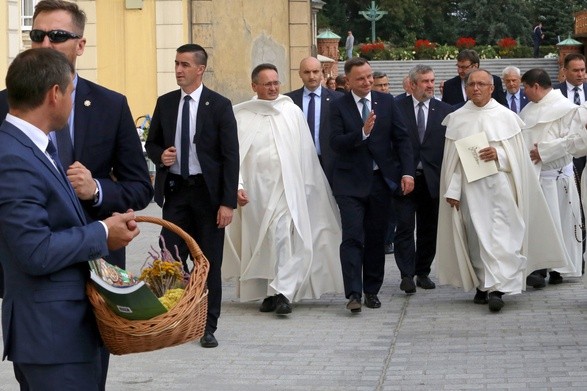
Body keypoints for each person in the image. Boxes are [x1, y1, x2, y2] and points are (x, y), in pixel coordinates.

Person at [0, 1, 153, 388]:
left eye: (58, 35)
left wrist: (99, 190)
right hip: (44, 309)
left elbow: (140, 187)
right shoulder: (12, 119)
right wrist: (102, 232)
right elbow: (30, 242)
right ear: (55, 95)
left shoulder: (110, 104)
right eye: (38, 35)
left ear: (80, 44)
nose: (46, 43)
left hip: (94, 294)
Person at [436, 69, 566, 312]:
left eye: (481, 84)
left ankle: (499, 288)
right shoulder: (458, 118)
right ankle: (483, 285)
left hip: (502, 189)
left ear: (491, 88)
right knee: (476, 239)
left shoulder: (506, 117)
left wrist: (500, 154)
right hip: (470, 191)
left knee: (503, 239)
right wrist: (453, 190)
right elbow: (452, 162)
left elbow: (520, 158)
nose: (475, 88)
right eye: (471, 84)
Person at [222, 63, 343, 316]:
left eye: (276, 83)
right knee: (262, 243)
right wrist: (238, 185)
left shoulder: (291, 111)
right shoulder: (242, 115)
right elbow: (235, 155)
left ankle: (284, 292)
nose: (274, 88)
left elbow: (305, 151)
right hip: (255, 194)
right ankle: (269, 291)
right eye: (268, 84)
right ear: (254, 86)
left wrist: (308, 186)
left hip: (286, 190)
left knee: (282, 237)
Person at [145, 44, 239, 349]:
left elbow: (230, 156)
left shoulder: (219, 105)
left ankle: (208, 325)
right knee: (170, 259)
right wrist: (162, 156)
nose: (178, 70)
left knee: (208, 262)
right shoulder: (166, 103)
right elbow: (152, 144)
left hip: (208, 196)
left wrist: (228, 202)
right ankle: (174, 316)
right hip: (175, 193)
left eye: (185, 64)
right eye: (176, 64)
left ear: (200, 69)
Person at [330, 57, 414, 313]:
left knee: (377, 239)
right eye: (361, 79)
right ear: (348, 81)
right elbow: (334, 142)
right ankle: (354, 293)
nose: (367, 82)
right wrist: (362, 133)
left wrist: (407, 172)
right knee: (353, 237)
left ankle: (371, 290)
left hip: (381, 181)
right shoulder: (337, 105)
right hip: (350, 184)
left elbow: (402, 139)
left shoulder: (386, 101)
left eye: (369, 77)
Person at [519, 68, 583, 287]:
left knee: (561, 223)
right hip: (535, 176)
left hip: (557, 176)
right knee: (539, 224)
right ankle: (539, 267)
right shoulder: (528, 110)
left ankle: (559, 268)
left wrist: (544, 152)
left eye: (525, 87)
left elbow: (574, 141)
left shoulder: (566, 108)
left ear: (535, 86)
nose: (524, 92)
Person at [394, 65, 453, 293]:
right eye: (425, 81)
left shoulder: (445, 111)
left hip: (432, 181)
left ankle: (423, 272)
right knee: (405, 228)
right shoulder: (397, 107)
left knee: (429, 230)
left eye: (432, 81)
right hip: (405, 180)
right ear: (412, 84)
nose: (429, 85)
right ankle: (406, 274)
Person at [285, 56, 343, 184]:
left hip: (330, 165)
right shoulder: (288, 101)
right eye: (306, 72)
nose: (311, 76)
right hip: (299, 165)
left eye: (315, 71)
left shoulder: (338, 99)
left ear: (322, 72)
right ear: (300, 74)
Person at [372, 71, 397, 255]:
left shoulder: (392, 104)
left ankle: (388, 239)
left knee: (391, 209)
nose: (383, 89)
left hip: (390, 165)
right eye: (380, 85)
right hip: (370, 168)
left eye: (386, 85)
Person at [441, 49, 507, 107]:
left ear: (475, 66)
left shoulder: (493, 81)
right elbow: (444, 109)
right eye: (458, 67)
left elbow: (503, 106)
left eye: (464, 67)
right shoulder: (449, 85)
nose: (460, 71)